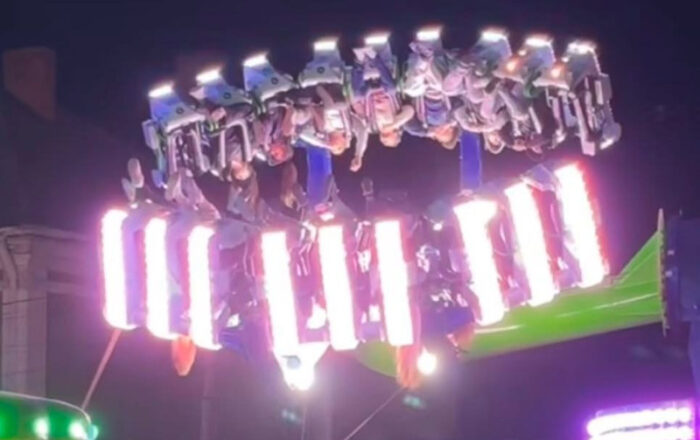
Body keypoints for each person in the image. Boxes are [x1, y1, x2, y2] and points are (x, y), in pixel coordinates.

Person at [350, 45, 415, 162]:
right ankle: (373, 56)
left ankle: (359, 61)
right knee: (392, 89)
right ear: (396, 135)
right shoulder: (399, 122)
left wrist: (356, 102)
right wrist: (393, 124)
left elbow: (360, 111)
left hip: (368, 94)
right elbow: (410, 111)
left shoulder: (371, 127)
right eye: (387, 140)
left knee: (357, 95)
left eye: (383, 141)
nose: (383, 140)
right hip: (386, 91)